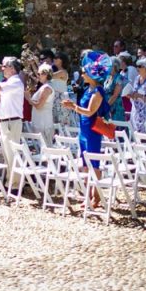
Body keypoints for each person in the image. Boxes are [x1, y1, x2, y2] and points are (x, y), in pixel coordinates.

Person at [61, 51, 112, 208]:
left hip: (92, 130)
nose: (82, 75)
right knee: (85, 163)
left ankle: (95, 196)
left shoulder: (98, 92)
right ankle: (89, 195)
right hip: (83, 130)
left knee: (94, 163)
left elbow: (90, 111)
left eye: (84, 72)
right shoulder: (88, 90)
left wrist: (73, 107)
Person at [0, 57, 25, 179]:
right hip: (6, 122)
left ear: (12, 69)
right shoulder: (9, 82)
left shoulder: (15, 82)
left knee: (12, 154)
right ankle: (10, 181)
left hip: (12, 122)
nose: (2, 69)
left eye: (5, 66)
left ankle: (16, 184)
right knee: (7, 154)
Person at [125, 57, 146, 135]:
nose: (137, 68)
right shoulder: (137, 79)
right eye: (137, 66)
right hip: (136, 112)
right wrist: (131, 96)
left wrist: (141, 96)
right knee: (136, 134)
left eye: (140, 66)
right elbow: (135, 92)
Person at [29, 64, 55, 145]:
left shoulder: (46, 88)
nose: (38, 76)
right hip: (39, 121)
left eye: (39, 74)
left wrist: (28, 99)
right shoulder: (43, 87)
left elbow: (39, 106)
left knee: (46, 148)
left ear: (45, 74)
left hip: (44, 123)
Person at [105, 56, 128, 123]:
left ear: (114, 66)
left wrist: (105, 106)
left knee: (117, 129)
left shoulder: (119, 78)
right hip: (107, 107)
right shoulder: (108, 77)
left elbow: (115, 95)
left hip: (115, 108)